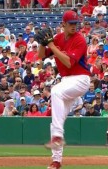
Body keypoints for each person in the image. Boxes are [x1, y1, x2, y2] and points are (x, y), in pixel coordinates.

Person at [38, 10, 91, 169]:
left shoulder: (80, 39)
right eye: (71, 24)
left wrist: (52, 45)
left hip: (81, 79)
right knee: (55, 122)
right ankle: (56, 161)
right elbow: (41, 56)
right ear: (64, 24)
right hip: (67, 81)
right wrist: (42, 42)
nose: (74, 26)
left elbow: (68, 63)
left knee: (55, 91)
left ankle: (58, 136)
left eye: (76, 23)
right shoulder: (58, 38)